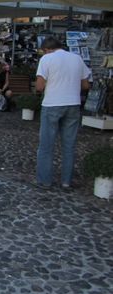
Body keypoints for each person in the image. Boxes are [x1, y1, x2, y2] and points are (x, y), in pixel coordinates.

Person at [35, 36, 91, 190]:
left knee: (46, 145)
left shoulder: (47, 59)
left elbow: (39, 86)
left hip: (52, 103)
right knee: (69, 145)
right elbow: (86, 85)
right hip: (73, 103)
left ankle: (45, 180)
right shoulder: (77, 58)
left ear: (46, 49)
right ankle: (66, 181)